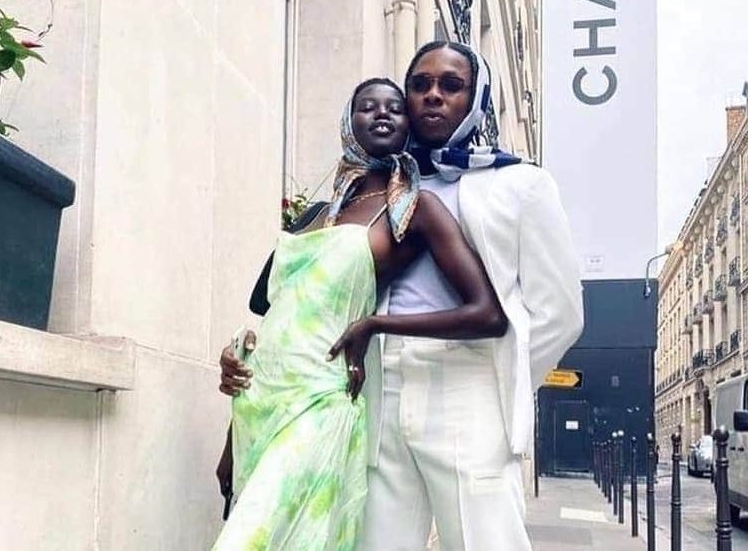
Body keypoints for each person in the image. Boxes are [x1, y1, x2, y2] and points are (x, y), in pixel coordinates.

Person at [219, 42, 584, 550]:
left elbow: (560, 313)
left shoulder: (520, 184)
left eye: (451, 86)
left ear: (475, 99)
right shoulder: (379, 186)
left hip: (469, 391)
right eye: (420, 85)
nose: (433, 95)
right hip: (377, 391)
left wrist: (502, 378)